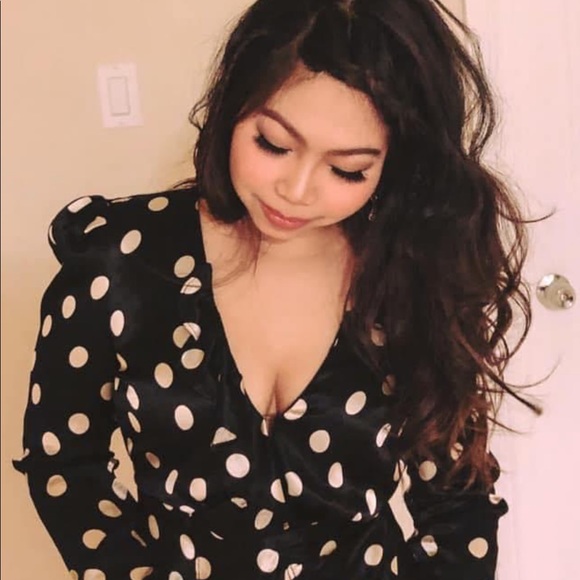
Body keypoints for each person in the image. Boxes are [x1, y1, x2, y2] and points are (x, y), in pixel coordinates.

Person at [13, 0, 536, 578]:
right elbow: (66, 466)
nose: (297, 189)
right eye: (273, 144)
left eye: (348, 169)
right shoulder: (120, 263)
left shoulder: (410, 279)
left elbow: (459, 503)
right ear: (233, 106)